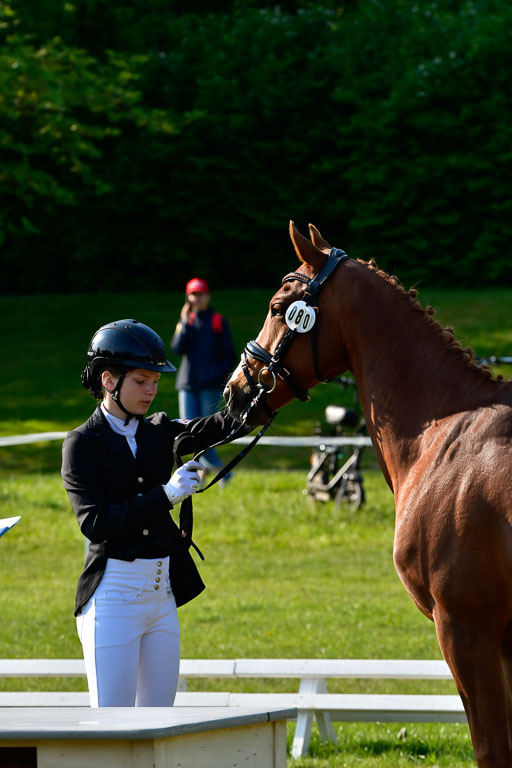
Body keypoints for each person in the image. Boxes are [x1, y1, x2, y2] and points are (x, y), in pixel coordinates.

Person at [61, 318, 244, 707]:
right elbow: (94, 523)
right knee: (113, 729)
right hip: (113, 599)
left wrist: (265, 391)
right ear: (109, 380)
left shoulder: (158, 430)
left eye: (156, 382)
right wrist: (166, 495)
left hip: (161, 597)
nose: (152, 390)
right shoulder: (81, 444)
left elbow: (220, 426)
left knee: (158, 726)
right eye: (142, 381)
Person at [171, 278, 236, 473]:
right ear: (188, 297)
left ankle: (218, 471)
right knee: (190, 431)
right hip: (187, 385)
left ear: (207, 296)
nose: (196, 298)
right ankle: (215, 470)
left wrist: (212, 376)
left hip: (209, 386)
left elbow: (229, 356)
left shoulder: (218, 321)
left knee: (206, 432)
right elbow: (176, 348)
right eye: (193, 294)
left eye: (200, 294)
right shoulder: (186, 322)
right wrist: (184, 322)